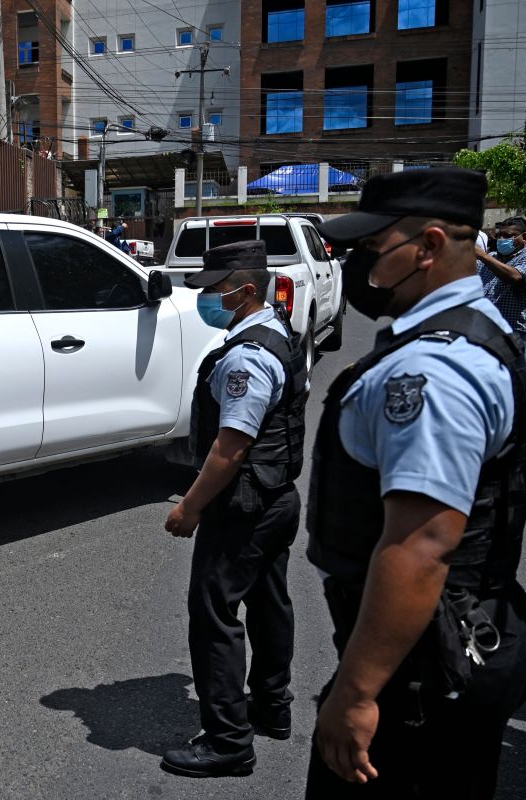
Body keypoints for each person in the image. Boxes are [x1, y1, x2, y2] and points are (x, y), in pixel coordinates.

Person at [307, 167, 526, 798]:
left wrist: (357, 693)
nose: (358, 266)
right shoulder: (471, 334)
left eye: (371, 250)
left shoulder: (432, 372)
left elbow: (421, 547)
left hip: (415, 674)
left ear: (430, 247)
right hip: (437, 648)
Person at [161, 240, 308, 779]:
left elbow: (231, 447)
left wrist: (190, 509)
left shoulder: (247, 356)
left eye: (214, 290)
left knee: (214, 615)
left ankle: (227, 741)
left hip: (242, 504)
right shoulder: (282, 336)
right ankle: (272, 709)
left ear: (246, 290)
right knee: (270, 603)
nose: (206, 298)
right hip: (278, 497)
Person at [475, 216, 526, 370]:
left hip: (514, 331)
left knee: (515, 383)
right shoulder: (491, 258)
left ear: (524, 237)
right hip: (486, 329)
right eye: (499, 235)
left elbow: (515, 277)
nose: (501, 239)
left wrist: (482, 255)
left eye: (508, 236)